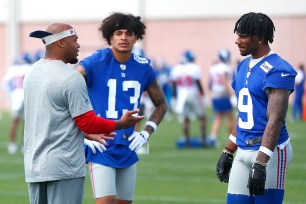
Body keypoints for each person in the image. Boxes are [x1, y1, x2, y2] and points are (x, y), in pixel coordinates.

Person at [24, 23, 143, 204]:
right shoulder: (71, 77)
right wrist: (120, 124)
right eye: (75, 40)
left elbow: (55, 115)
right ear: (61, 43)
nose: (78, 46)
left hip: (34, 166)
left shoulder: (32, 73)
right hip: (64, 166)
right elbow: (88, 123)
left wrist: (85, 132)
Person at [76, 13, 167, 204]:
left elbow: (161, 104)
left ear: (137, 37)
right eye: (118, 33)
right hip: (101, 144)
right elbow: (67, 91)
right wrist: (83, 131)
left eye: (129, 33)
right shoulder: (95, 62)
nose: (124, 37)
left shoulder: (143, 67)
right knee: (106, 201)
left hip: (127, 145)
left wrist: (146, 133)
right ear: (110, 36)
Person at [216, 12, 297, 204]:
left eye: (243, 36)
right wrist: (228, 150)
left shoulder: (279, 68)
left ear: (259, 38)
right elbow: (244, 114)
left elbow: (275, 119)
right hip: (243, 149)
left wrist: (261, 160)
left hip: (271, 151)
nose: (237, 41)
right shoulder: (243, 66)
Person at [170, 50, 207, 147]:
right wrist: (203, 95)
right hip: (192, 93)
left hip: (182, 96)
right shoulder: (194, 68)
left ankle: (186, 141)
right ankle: (203, 140)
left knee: (186, 119)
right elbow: (198, 82)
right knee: (202, 117)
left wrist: (174, 97)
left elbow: (173, 85)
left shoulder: (176, 69)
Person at [1, 53, 33, 154]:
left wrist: (11, 94)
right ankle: (24, 145)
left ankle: (12, 144)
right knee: (26, 123)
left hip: (16, 98)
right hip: (26, 97)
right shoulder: (29, 67)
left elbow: (4, 84)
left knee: (15, 122)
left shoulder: (12, 69)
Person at [207, 49, 235, 147]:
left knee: (218, 117)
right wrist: (231, 94)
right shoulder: (226, 68)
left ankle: (213, 137)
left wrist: (211, 93)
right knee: (230, 117)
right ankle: (231, 138)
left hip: (215, 94)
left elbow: (209, 83)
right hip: (223, 94)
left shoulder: (213, 68)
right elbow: (224, 81)